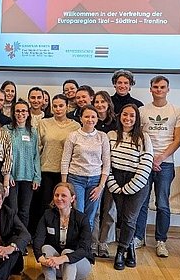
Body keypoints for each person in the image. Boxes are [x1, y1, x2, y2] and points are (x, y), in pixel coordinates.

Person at [134, 75, 180, 255]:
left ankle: (161, 241)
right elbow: (138, 137)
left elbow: (177, 139)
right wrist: (149, 158)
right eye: (155, 87)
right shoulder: (142, 110)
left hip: (166, 164)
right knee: (141, 202)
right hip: (144, 163)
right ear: (150, 89)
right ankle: (139, 237)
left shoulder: (176, 111)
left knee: (163, 204)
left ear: (168, 89)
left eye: (162, 87)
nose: (159, 90)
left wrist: (160, 158)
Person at [106, 104, 153, 270]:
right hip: (116, 180)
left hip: (138, 181)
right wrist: (113, 184)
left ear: (137, 118)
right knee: (121, 218)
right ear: (120, 116)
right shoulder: (111, 135)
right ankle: (130, 247)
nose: (128, 118)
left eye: (132, 115)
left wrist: (130, 187)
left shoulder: (143, 137)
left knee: (130, 218)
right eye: (125, 115)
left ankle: (120, 251)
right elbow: (107, 162)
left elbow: (146, 164)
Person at [35, 94, 80, 233]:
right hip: (47, 169)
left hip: (66, 172)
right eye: (55, 106)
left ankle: (63, 234)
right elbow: (37, 147)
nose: (58, 109)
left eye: (61, 106)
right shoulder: (44, 123)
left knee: (64, 205)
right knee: (45, 205)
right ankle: (44, 234)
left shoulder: (75, 125)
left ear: (67, 107)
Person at [61, 105, 110, 230]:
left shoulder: (102, 136)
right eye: (86, 116)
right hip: (76, 179)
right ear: (81, 118)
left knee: (90, 215)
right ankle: (75, 245)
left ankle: (86, 245)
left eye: (93, 117)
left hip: (95, 181)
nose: (90, 119)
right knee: (78, 213)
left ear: (97, 119)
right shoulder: (73, 136)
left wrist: (101, 186)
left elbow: (106, 162)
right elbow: (65, 160)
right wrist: (64, 184)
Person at [33, 182, 92, 280]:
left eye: (63, 195)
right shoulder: (48, 215)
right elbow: (38, 240)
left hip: (79, 265)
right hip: (55, 266)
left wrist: (62, 259)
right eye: (56, 195)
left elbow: (84, 249)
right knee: (46, 248)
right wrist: (42, 259)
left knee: (67, 252)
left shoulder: (82, 218)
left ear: (72, 198)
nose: (59, 198)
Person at [6, 99, 40, 236]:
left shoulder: (33, 132)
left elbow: (36, 155)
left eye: (24, 111)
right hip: (12, 177)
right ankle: (11, 237)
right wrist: (8, 174)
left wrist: (37, 177)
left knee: (25, 210)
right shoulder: (6, 131)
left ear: (28, 113)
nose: (21, 114)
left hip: (28, 177)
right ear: (13, 113)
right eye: (18, 111)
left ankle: (22, 239)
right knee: (12, 209)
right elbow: (4, 155)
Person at [90, 90, 118, 258]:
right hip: (94, 172)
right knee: (94, 210)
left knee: (109, 209)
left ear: (108, 104)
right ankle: (93, 242)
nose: (100, 105)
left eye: (103, 102)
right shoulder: (89, 121)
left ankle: (104, 242)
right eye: (97, 102)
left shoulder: (116, 123)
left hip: (112, 171)